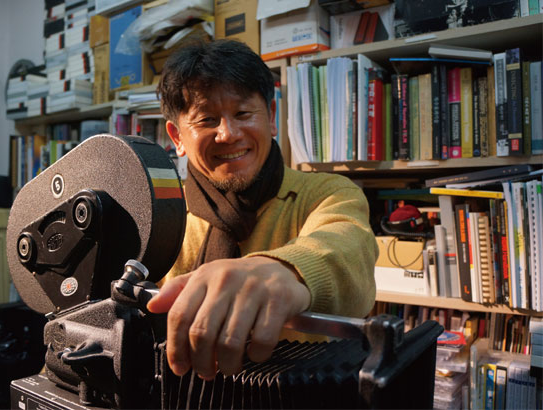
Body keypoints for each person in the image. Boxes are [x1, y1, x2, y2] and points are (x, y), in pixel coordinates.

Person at [146, 39, 378, 381]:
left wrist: (286, 271)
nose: (228, 134)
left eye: (243, 114)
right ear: (177, 137)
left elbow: (349, 249)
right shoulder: (159, 211)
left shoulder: (326, 193)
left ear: (270, 117)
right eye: (207, 119)